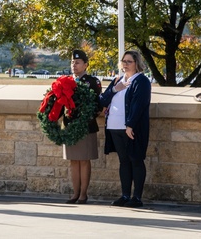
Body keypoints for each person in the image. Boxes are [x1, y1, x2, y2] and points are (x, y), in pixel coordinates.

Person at [99, 50, 151, 208]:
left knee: (136, 159)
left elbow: (139, 105)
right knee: (124, 162)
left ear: (137, 63)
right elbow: (102, 100)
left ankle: (136, 197)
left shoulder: (141, 81)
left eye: (129, 61)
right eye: (124, 61)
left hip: (131, 128)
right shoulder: (117, 80)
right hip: (114, 127)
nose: (125, 64)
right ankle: (125, 195)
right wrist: (116, 89)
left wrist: (130, 125)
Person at [63, 49, 102, 204]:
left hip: (86, 126)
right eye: (72, 62)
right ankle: (75, 193)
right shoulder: (66, 82)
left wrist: (84, 118)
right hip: (70, 127)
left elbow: (97, 105)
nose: (74, 65)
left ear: (85, 65)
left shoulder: (92, 82)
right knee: (73, 160)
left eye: (78, 62)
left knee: (84, 160)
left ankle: (83, 194)